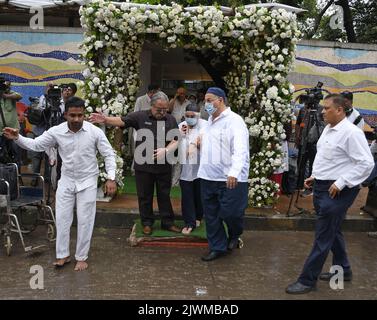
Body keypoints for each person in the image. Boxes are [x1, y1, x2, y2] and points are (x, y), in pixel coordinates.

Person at [3, 96, 117, 271]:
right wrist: (17, 137)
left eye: (80, 115)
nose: (76, 119)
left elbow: (109, 154)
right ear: (65, 115)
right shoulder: (56, 131)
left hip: (87, 181)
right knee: (63, 218)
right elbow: (36, 145)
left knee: (85, 220)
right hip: (67, 180)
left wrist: (111, 177)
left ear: (84, 114)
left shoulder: (95, 132)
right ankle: (63, 255)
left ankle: (81, 257)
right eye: (73, 115)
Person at [286, 94, 374, 294]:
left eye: (327, 108)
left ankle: (307, 280)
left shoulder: (352, 133)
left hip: (339, 191)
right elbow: (329, 158)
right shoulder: (328, 129)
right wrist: (315, 176)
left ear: (340, 110)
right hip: (322, 186)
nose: (322, 112)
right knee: (332, 230)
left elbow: (366, 163)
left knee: (323, 235)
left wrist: (342, 182)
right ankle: (343, 269)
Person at [89, 91, 182, 235]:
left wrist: (166, 150)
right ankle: (147, 222)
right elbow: (122, 120)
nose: (162, 112)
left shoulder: (170, 119)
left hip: (164, 165)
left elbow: (176, 140)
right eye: (159, 109)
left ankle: (167, 222)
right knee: (145, 195)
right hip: (143, 166)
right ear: (152, 106)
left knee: (164, 195)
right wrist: (105, 119)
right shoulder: (140, 116)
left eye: (165, 109)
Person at [197, 87, 250, 261]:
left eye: (210, 100)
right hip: (208, 176)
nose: (207, 104)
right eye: (205, 101)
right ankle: (217, 247)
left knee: (231, 213)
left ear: (221, 100)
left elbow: (240, 149)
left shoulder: (235, 121)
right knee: (211, 214)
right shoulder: (208, 122)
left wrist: (234, 172)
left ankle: (235, 234)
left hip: (231, 178)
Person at [178, 103, 207, 235]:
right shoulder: (181, 126)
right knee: (187, 195)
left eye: (192, 116)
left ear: (199, 114)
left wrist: (195, 145)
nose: (189, 118)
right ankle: (189, 222)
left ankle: (198, 217)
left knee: (199, 194)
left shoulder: (205, 125)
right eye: (187, 116)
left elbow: (203, 141)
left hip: (202, 166)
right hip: (186, 167)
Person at [0, 78, 22, 166]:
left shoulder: (11, 94)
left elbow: (19, 96)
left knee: (15, 156)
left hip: (13, 131)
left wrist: (5, 95)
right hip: (0, 132)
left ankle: (16, 176)